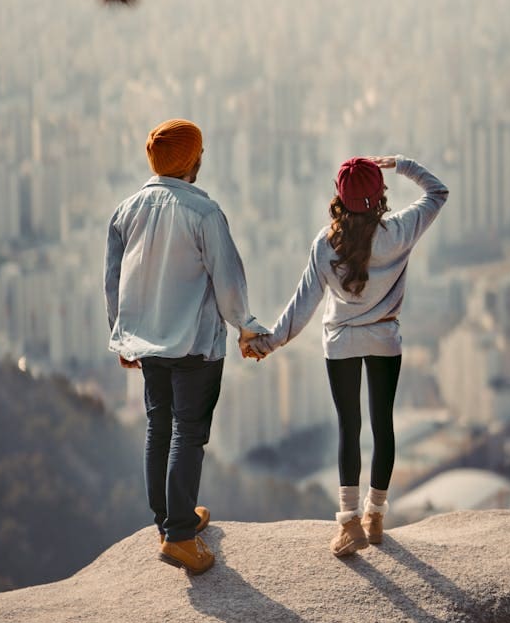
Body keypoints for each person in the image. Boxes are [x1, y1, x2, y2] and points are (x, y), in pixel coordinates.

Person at [244, 154, 448, 558]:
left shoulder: (325, 244)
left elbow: (302, 305)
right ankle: (375, 517)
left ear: (339, 197)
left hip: (340, 345)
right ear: (380, 195)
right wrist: (400, 163)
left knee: (349, 429)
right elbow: (438, 191)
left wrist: (267, 343)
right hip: (385, 340)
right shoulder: (401, 231)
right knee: (383, 426)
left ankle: (349, 523)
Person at [104, 118, 268, 575]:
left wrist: (121, 333)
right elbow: (228, 282)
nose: (201, 159)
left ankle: (168, 520)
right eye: (199, 153)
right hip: (194, 344)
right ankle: (178, 536)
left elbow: (113, 281)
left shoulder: (127, 210)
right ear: (190, 160)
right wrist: (246, 327)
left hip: (148, 343)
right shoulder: (204, 213)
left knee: (159, 426)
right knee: (189, 432)